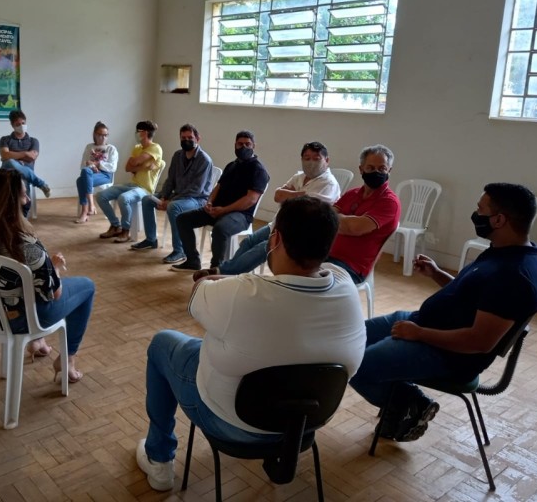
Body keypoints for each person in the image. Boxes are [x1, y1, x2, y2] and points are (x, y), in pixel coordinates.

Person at [135, 196, 366, 492]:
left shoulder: (241, 293)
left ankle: (159, 459)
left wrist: (218, 281)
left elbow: (198, 293)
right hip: (307, 424)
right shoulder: (345, 284)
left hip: (232, 423)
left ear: (276, 239)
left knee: (162, 343)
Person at [350, 183, 537, 443]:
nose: (475, 214)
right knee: (349, 340)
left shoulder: (514, 276)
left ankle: (412, 404)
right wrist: (437, 274)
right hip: (422, 326)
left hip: (446, 354)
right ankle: (402, 403)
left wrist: (419, 334)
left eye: (480, 209)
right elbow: (472, 294)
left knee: (354, 365)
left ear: (498, 220)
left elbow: (478, 342)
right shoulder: (504, 251)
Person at [0, 169, 94, 383]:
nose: (27, 199)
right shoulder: (26, 244)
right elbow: (53, 293)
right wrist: (53, 267)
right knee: (87, 286)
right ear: (10, 201)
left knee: (24, 289)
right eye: (23, 195)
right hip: (23, 320)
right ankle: (68, 359)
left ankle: (38, 343)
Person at [192, 141, 339, 279]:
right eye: (307, 158)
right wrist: (302, 194)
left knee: (264, 247)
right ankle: (230, 273)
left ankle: (222, 272)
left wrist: (291, 195)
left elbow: (305, 208)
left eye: (316, 158)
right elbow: (277, 195)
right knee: (248, 242)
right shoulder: (299, 176)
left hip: (298, 232)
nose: (311, 162)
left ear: (327, 160)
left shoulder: (328, 183)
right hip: (277, 224)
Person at [171, 131, 269, 273]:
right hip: (217, 210)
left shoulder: (258, 169)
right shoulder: (232, 165)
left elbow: (250, 200)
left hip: (240, 216)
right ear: (235, 145)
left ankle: (216, 268)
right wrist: (209, 202)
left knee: (220, 229)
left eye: (247, 144)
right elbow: (218, 187)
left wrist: (224, 210)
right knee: (182, 219)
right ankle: (192, 261)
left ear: (254, 146)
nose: (243, 147)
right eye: (240, 144)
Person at [130, 123, 214, 264]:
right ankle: (151, 239)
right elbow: (170, 180)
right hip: (177, 196)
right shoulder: (177, 156)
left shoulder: (204, 160)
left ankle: (179, 250)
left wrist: (171, 201)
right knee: (147, 199)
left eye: (190, 137)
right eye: (183, 137)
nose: (186, 140)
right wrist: (164, 196)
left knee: (174, 207)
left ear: (198, 138)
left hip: (197, 199)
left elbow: (196, 189)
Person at [326, 144, 401, 283]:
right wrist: (345, 221)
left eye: (382, 168)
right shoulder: (352, 194)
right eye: (370, 168)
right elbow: (325, 218)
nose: (376, 172)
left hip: (351, 267)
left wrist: (337, 219)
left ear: (389, 170)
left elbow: (355, 228)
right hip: (325, 255)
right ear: (361, 169)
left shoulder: (389, 202)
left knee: (308, 281)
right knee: (290, 265)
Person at [97, 120, 163, 244]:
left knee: (123, 198)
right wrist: (144, 166)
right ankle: (115, 225)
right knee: (101, 196)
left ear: (145, 133)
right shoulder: (137, 148)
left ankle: (125, 231)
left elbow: (136, 161)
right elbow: (128, 167)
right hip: (131, 184)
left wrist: (137, 164)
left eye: (138, 131)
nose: (136, 134)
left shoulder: (156, 148)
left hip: (145, 189)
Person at [0, 109, 51, 218]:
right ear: (12, 125)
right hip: (7, 173)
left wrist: (14, 155)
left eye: (23, 123)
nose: (21, 126)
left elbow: (32, 157)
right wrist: (24, 154)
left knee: (22, 180)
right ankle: (40, 183)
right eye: (18, 124)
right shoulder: (5, 139)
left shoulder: (33, 141)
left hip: (25, 174)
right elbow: (5, 156)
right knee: (10, 162)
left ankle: (23, 219)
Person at [75, 121, 118, 223]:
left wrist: (97, 164)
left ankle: (85, 211)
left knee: (80, 181)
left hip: (105, 175)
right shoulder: (89, 147)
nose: (103, 138)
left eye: (105, 135)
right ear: (95, 134)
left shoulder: (111, 149)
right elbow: (83, 165)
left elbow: (113, 167)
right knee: (85, 172)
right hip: (90, 174)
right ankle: (91, 205)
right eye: (100, 135)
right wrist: (91, 166)